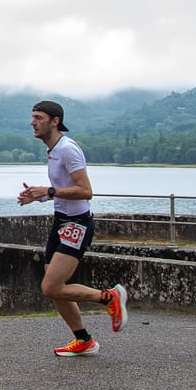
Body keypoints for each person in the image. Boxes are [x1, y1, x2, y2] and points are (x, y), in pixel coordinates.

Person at [17, 100, 127, 357]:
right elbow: (62, 190)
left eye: (38, 117)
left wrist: (50, 190)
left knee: (51, 288)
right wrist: (40, 196)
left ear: (55, 121)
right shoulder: (52, 150)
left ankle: (109, 297)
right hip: (61, 221)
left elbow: (85, 191)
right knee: (56, 288)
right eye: (32, 117)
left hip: (77, 224)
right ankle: (84, 340)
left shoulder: (68, 150)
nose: (32, 122)